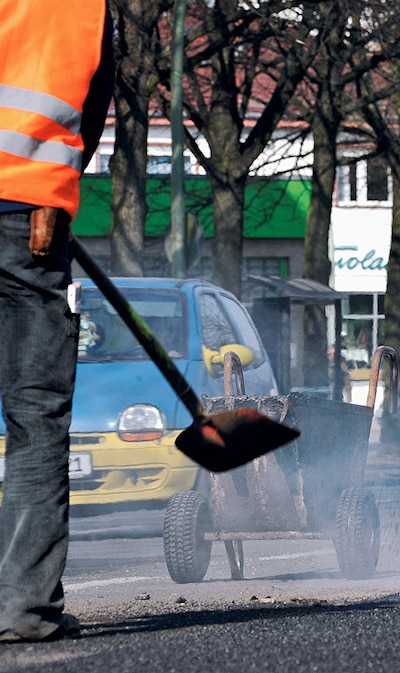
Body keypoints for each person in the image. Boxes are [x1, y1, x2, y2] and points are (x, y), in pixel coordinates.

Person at [0, 0, 115, 642]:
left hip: (27, 208)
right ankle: (21, 607)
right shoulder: (80, 8)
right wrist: (49, 188)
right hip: (28, 219)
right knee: (35, 414)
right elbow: (91, 109)